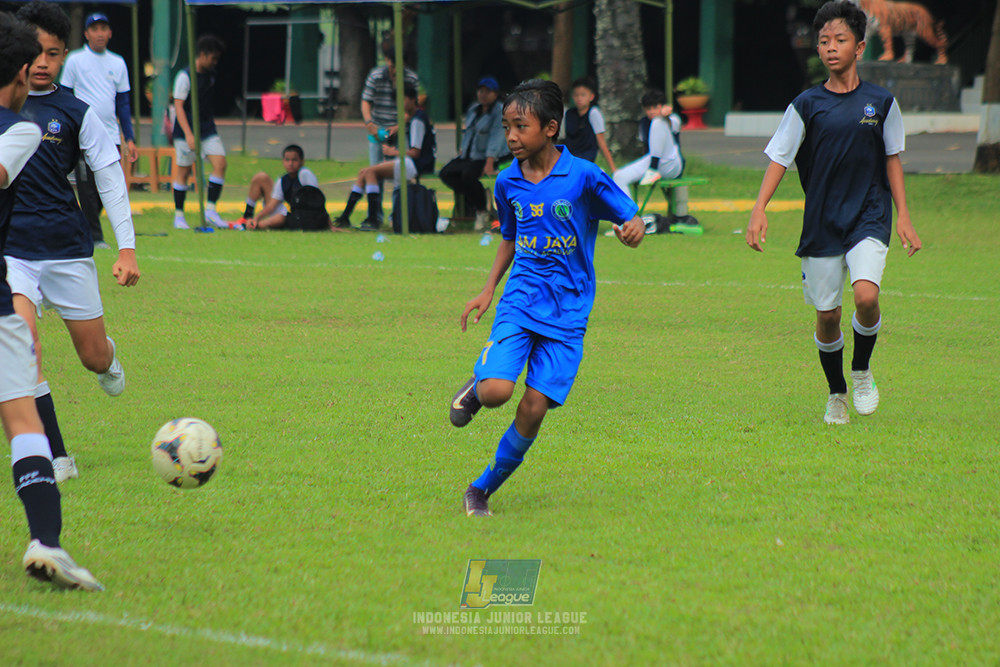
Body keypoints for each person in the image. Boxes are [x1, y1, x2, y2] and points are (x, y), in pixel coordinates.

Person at [448, 79, 644, 517]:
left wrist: (634, 230)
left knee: (533, 409)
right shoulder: (506, 182)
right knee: (498, 391)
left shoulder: (584, 176)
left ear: (551, 128)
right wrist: (487, 290)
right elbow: (511, 240)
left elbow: (631, 219)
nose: (511, 136)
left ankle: (479, 490)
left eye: (520, 126)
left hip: (569, 310)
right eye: (507, 127)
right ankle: (480, 387)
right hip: (520, 298)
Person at [745, 0, 922, 425]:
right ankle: (836, 392)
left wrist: (903, 216)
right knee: (827, 317)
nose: (830, 47)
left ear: (860, 47)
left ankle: (861, 370)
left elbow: (893, 158)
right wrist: (758, 209)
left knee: (866, 296)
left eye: (840, 40)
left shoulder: (881, 103)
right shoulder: (806, 105)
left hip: (869, 215)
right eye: (823, 40)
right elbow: (779, 159)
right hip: (822, 222)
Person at [9, 0, 140, 484]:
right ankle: (55, 455)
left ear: (66, 55)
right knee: (22, 347)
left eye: (54, 53)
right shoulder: (5, 106)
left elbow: (108, 176)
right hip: (12, 253)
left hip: (66, 248)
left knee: (92, 357)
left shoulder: (75, 111)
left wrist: (126, 248)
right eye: (37, 52)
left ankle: (108, 356)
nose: (43, 62)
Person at [0, 10, 103, 591]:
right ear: (20, 72)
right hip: (3, 291)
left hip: (39, 262)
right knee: (22, 419)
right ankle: (46, 541)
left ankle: (47, 543)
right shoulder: (19, 129)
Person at [60, 11, 136, 249]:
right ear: (86, 34)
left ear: (110, 33)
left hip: (110, 135)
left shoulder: (118, 62)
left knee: (108, 185)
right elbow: (65, 94)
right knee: (86, 186)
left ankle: (85, 227)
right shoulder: (75, 60)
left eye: (104, 29)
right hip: (82, 134)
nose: (100, 33)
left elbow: (123, 103)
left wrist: (129, 137)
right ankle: (95, 236)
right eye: (95, 29)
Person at [334, 85, 435, 230]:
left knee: (370, 172)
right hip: (410, 162)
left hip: (415, 164)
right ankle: (345, 216)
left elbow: (415, 153)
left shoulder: (418, 120)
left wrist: (392, 152)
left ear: (413, 100)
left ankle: (373, 218)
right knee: (363, 172)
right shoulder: (414, 118)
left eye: (404, 100)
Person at [171, 34, 229, 231]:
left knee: (220, 163)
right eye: (212, 58)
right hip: (186, 130)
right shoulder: (184, 76)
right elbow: (178, 106)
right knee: (184, 171)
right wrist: (188, 134)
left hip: (207, 128)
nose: (215, 62)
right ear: (202, 54)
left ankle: (211, 210)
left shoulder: (212, 75)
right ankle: (179, 216)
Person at [439, 76, 509, 231]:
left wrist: (489, 162)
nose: (483, 94)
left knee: (468, 176)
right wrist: (463, 150)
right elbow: (469, 132)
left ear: (495, 94)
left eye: (487, 92)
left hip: (488, 156)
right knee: (446, 173)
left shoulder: (499, 112)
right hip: (469, 155)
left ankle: (482, 211)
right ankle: (478, 199)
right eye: (481, 91)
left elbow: (496, 139)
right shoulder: (474, 109)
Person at [360, 44, 419, 228]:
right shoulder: (376, 76)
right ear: (387, 61)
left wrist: (400, 124)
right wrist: (370, 123)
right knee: (374, 171)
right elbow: (365, 101)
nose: (395, 71)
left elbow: (415, 106)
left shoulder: (411, 78)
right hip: (378, 129)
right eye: (393, 67)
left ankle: (397, 215)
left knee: (399, 173)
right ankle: (375, 216)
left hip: (401, 131)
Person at [612, 89, 684, 199]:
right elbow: (646, 148)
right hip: (652, 161)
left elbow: (670, 122)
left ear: (662, 106)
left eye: (655, 107)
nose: (651, 111)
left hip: (672, 164)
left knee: (657, 121)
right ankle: (630, 215)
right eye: (648, 109)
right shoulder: (644, 123)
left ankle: (653, 170)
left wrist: (665, 114)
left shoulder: (673, 118)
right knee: (619, 176)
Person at [240, 144, 319, 230]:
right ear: (283, 161)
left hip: (304, 217)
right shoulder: (283, 180)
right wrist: (256, 218)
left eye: (294, 160)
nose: (290, 164)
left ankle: (254, 226)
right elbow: (271, 205)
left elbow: (317, 199)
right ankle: (249, 220)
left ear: (302, 161)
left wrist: (327, 223)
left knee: (281, 218)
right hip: (290, 216)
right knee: (260, 177)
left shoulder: (304, 174)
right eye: (287, 160)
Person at [561, 76, 615, 172]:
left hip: (586, 156)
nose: (579, 98)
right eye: (576, 95)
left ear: (591, 97)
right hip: (569, 155)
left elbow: (601, 142)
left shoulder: (594, 113)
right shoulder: (568, 114)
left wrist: (613, 169)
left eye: (583, 95)